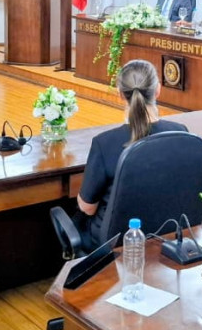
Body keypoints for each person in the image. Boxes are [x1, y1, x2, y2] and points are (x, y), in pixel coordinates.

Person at [75, 60, 188, 250]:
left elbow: (87, 207)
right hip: (169, 236)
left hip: (118, 243)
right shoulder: (181, 132)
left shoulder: (104, 143)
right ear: (158, 90)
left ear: (120, 94)